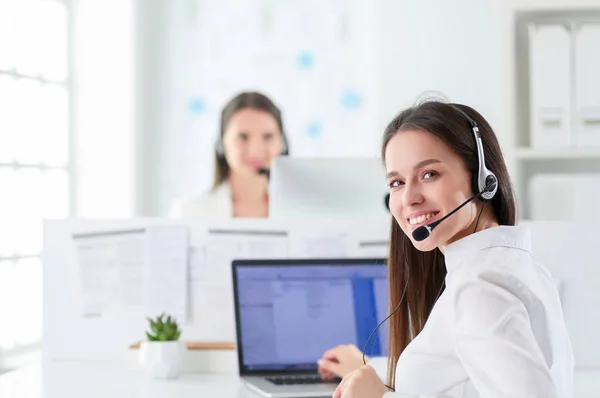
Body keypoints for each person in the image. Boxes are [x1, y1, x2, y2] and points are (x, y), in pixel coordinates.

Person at [318, 99, 574, 397]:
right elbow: (462, 370)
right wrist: (372, 367)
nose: (409, 198)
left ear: (482, 178)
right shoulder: (511, 267)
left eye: (429, 175)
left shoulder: (480, 286)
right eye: (397, 182)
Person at [172, 91, 289, 219]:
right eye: (242, 137)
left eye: (268, 137)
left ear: (282, 143)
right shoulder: (189, 213)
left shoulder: (302, 214)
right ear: (222, 143)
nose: (255, 151)